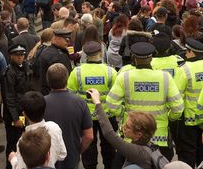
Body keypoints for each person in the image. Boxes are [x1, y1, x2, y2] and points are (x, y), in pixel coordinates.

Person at [107, 42, 184, 160]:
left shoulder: (125, 77)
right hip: (158, 136)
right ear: (151, 58)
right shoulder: (165, 77)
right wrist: (170, 117)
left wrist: (123, 114)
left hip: (131, 136)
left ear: (134, 58)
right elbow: (178, 107)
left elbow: (111, 103)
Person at [66, 41, 117, 169]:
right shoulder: (111, 72)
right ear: (100, 53)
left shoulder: (76, 72)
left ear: (85, 55)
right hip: (107, 115)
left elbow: (70, 95)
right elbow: (116, 95)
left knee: (88, 148)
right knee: (109, 147)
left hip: (85, 116)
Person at [88, 88, 168, 169]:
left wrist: (97, 102)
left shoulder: (139, 153)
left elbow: (109, 134)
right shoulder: (149, 146)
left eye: (127, 127)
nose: (123, 127)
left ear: (139, 134)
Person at [174, 39, 203, 167]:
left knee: (187, 154)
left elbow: (177, 95)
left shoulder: (184, 69)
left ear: (190, 52)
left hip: (189, 120)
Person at [44, 63, 94, 169]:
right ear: (67, 80)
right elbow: (89, 136)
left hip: (47, 159)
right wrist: (78, 150)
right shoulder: (80, 103)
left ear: (48, 81)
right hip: (71, 158)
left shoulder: (41, 103)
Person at [9, 91, 67, 169]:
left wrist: (13, 159)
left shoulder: (23, 141)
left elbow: (21, 167)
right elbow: (62, 154)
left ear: (24, 114)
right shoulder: (54, 127)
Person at [2, 44, 33, 169]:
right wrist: (15, 118)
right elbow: (9, 98)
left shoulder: (25, 67)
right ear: (11, 56)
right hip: (14, 115)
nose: (20, 57)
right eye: (17, 55)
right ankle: (9, 166)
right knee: (13, 142)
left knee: (23, 140)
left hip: (24, 112)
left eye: (22, 55)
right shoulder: (9, 72)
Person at [36, 29, 73, 95]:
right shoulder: (56, 56)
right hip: (56, 93)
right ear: (58, 39)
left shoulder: (50, 50)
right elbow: (59, 79)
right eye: (67, 40)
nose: (68, 43)